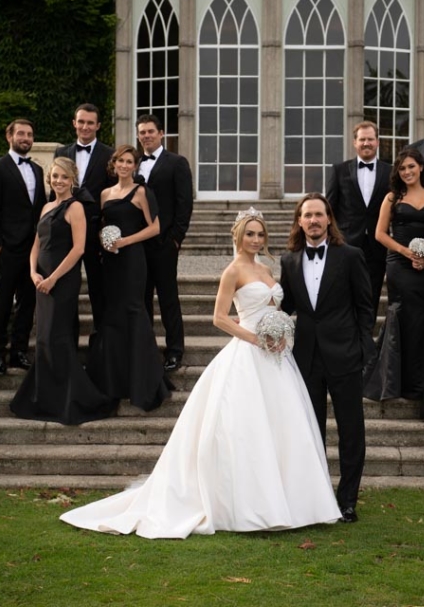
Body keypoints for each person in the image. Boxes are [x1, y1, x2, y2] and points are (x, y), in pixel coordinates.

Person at [61, 209, 340, 538]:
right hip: (248, 354)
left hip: (277, 359)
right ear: (238, 236)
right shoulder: (232, 271)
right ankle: (251, 506)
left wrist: (278, 334)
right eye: (250, 234)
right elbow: (219, 318)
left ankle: (296, 503)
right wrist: (255, 338)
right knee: (246, 431)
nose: (256, 239)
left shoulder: (266, 268)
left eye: (260, 234)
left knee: (285, 426)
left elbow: (274, 309)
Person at [280, 193, 375, 524]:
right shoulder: (288, 260)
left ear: (329, 219)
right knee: (311, 431)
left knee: (351, 432)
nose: (314, 220)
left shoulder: (350, 256)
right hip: (306, 357)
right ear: (300, 221)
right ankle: (317, 499)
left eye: (319, 214)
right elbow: (287, 306)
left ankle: (347, 500)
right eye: (307, 215)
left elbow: (366, 306)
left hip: (346, 353)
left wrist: (365, 348)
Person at [10, 158, 108, 424]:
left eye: (64, 177)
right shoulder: (45, 206)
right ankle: (46, 396)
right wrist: (33, 272)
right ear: (49, 179)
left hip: (62, 281)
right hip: (40, 280)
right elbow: (36, 243)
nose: (59, 181)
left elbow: (79, 249)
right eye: (55, 176)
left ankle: (69, 398)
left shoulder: (75, 208)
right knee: (43, 336)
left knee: (58, 335)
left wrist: (52, 278)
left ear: (72, 179)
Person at [88, 145, 169, 416]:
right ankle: (115, 380)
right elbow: (102, 225)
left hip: (133, 260)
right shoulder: (104, 194)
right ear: (114, 164)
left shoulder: (142, 192)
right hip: (110, 260)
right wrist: (104, 241)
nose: (124, 165)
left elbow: (155, 227)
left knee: (134, 311)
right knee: (112, 315)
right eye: (120, 161)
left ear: (135, 166)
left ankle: (144, 381)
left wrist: (125, 241)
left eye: (129, 161)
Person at [363, 147, 424, 406]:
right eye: (402, 168)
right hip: (399, 263)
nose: (407, 172)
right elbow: (380, 234)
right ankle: (393, 379)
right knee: (401, 311)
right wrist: (406, 252)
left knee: (423, 315)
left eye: (411, 166)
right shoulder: (392, 198)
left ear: (420, 167)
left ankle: (420, 380)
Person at [0, 119, 46, 376]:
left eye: (29, 134)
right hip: (8, 248)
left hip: (34, 249)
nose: (26, 138)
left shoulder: (38, 170)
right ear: (9, 136)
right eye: (21, 133)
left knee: (28, 302)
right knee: (3, 301)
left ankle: (19, 352)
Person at [136, 114, 193, 372]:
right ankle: (146, 348)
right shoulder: (132, 163)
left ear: (161, 134)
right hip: (137, 243)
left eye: (150, 131)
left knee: (168, 297)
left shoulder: (177, 163)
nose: (146, 136)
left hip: (164, 243)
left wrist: (175, 240)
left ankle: (174, 351)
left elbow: (184, 204)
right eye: (142, 132)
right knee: (142, 297)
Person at [53, 103, 115, 335]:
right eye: (81, 122)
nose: (85, 127)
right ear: (74, 123)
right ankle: (67, 341)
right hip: (65, 234)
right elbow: (55, 192)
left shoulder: (110, 154)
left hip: (95, 234)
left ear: (98, 125)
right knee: (66, 288)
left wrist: (106, 233)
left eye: (90, 123)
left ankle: (100, 345)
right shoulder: (61, 153)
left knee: (98, 291)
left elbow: (112, 197)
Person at [326, 121, 392, 305]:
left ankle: (367, 333)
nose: (366, 143)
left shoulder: (390, 172)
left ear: (377, 142)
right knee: (345, 294)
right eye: (362, 139)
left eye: (370, 139)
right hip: (346, 243)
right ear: (354, 143)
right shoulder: (339, 170)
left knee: (372, 296)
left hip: (377, 244)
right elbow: (329, 210)